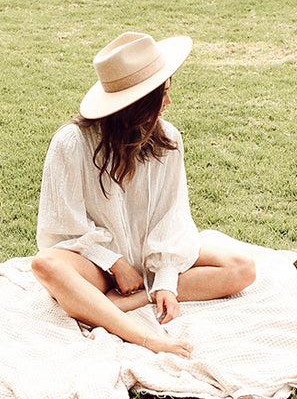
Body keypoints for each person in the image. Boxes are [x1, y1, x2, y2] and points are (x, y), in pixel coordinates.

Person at [32, 31, 256, 356]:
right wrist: (114, 263)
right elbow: (62, 227)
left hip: (150, 260)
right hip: (97, 267)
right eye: (161, 94)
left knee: (242, 267)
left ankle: (132, 300)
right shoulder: (72, 143)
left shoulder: (169, 140)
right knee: (45, 265)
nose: (168, 102)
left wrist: (165, 279)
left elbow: (171, 216)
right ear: (138, 103)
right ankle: (142, 337)